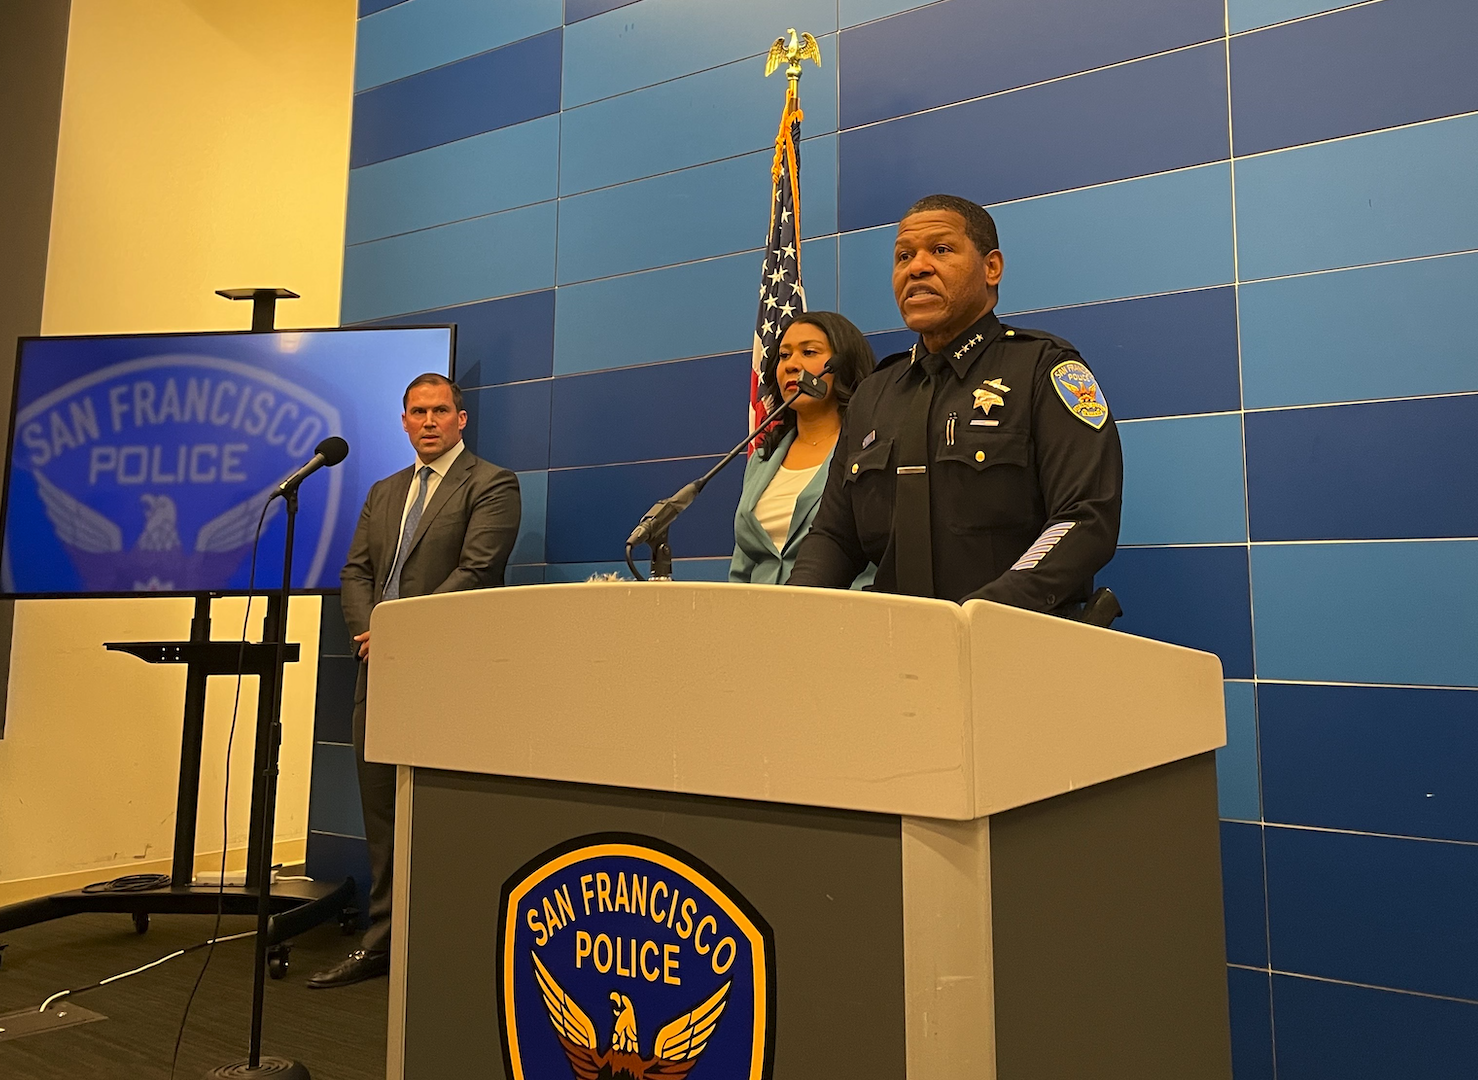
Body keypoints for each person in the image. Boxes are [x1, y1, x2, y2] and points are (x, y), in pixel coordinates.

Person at [787, 194, 1122, 612]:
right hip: (893, 645)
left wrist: (982, 612)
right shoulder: (873, 394)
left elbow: (1083, 518)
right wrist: (794, 609)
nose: (917, 267)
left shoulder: (1041, 369)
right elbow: (835, 537)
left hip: (1013, 637)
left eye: (941, 250)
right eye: (903, 256)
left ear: (991, 267)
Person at [308, 372, 521, 989]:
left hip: (452, 671)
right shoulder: (383, 490)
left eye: (440, 411)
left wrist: (403, 631)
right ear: (403, 421)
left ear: (461, 419)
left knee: (448, 815)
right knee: (382, 816)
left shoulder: (492, 484)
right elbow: (356, 572)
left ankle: (451, 950)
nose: (428, 421)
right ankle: (383, 944)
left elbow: (478, 570)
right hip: (380, 668)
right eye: (417, 412)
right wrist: (373, 630)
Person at [729, 312, 876, 587]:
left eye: (808, 352)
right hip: (756, 619)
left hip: (838, 616)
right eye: (784, 355)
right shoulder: (763, 458)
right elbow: (743, 564)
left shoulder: (867, 452)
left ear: (843, 363)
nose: (792, 365)